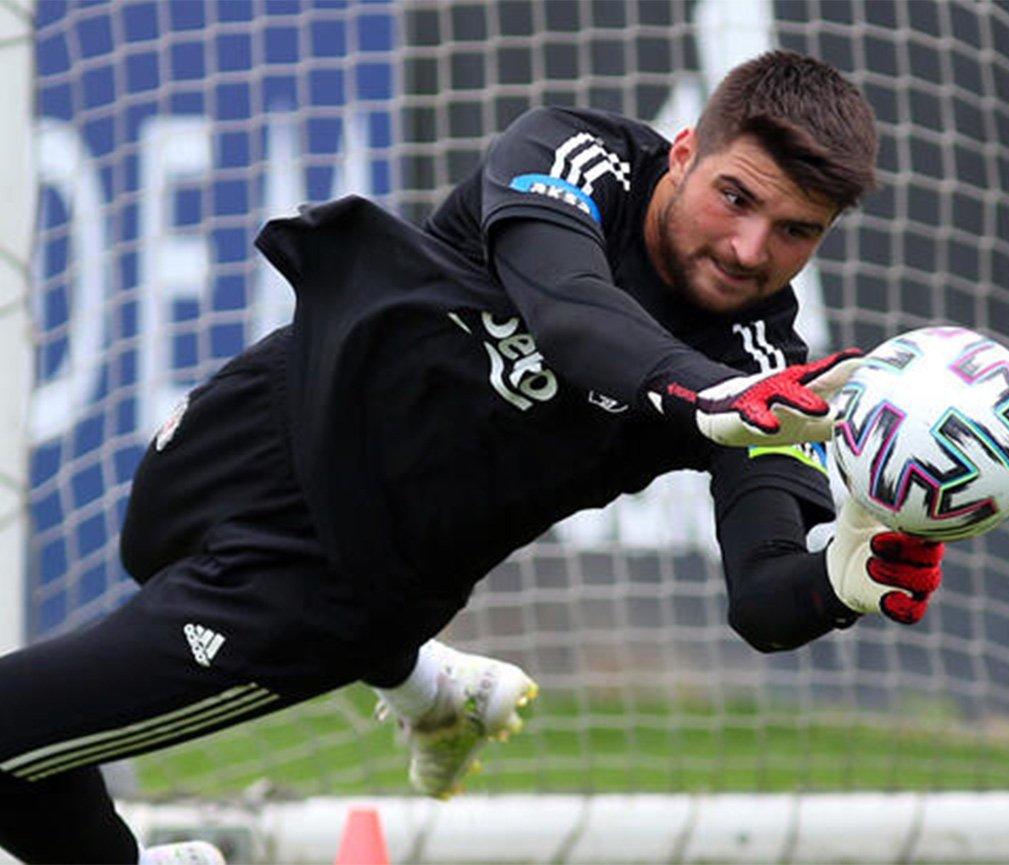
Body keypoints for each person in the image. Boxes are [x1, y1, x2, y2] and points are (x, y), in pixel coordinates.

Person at [0, 50, 944, 865]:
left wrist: (840, 577)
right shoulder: (576, 154)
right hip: (266, 417)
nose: (747, 248)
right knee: (123, 588)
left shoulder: (766, 373)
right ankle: (425, 683)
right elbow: (571, 310)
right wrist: (706, 396)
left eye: (794, 231)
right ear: (686, 150)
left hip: (324, 585)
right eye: (736, 198)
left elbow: (764, 595)